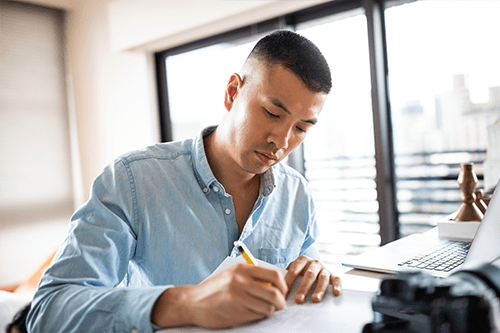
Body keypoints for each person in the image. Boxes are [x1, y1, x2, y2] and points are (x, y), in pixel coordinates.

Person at [26, 29, 342, 332]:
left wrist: (315, 275)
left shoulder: (298, 193)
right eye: (273, 113)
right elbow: (48, 311)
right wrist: (184, 303)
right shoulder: (132, 180)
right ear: (233, 92)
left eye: (301, 128)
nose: (282, 141)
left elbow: (302, 289)